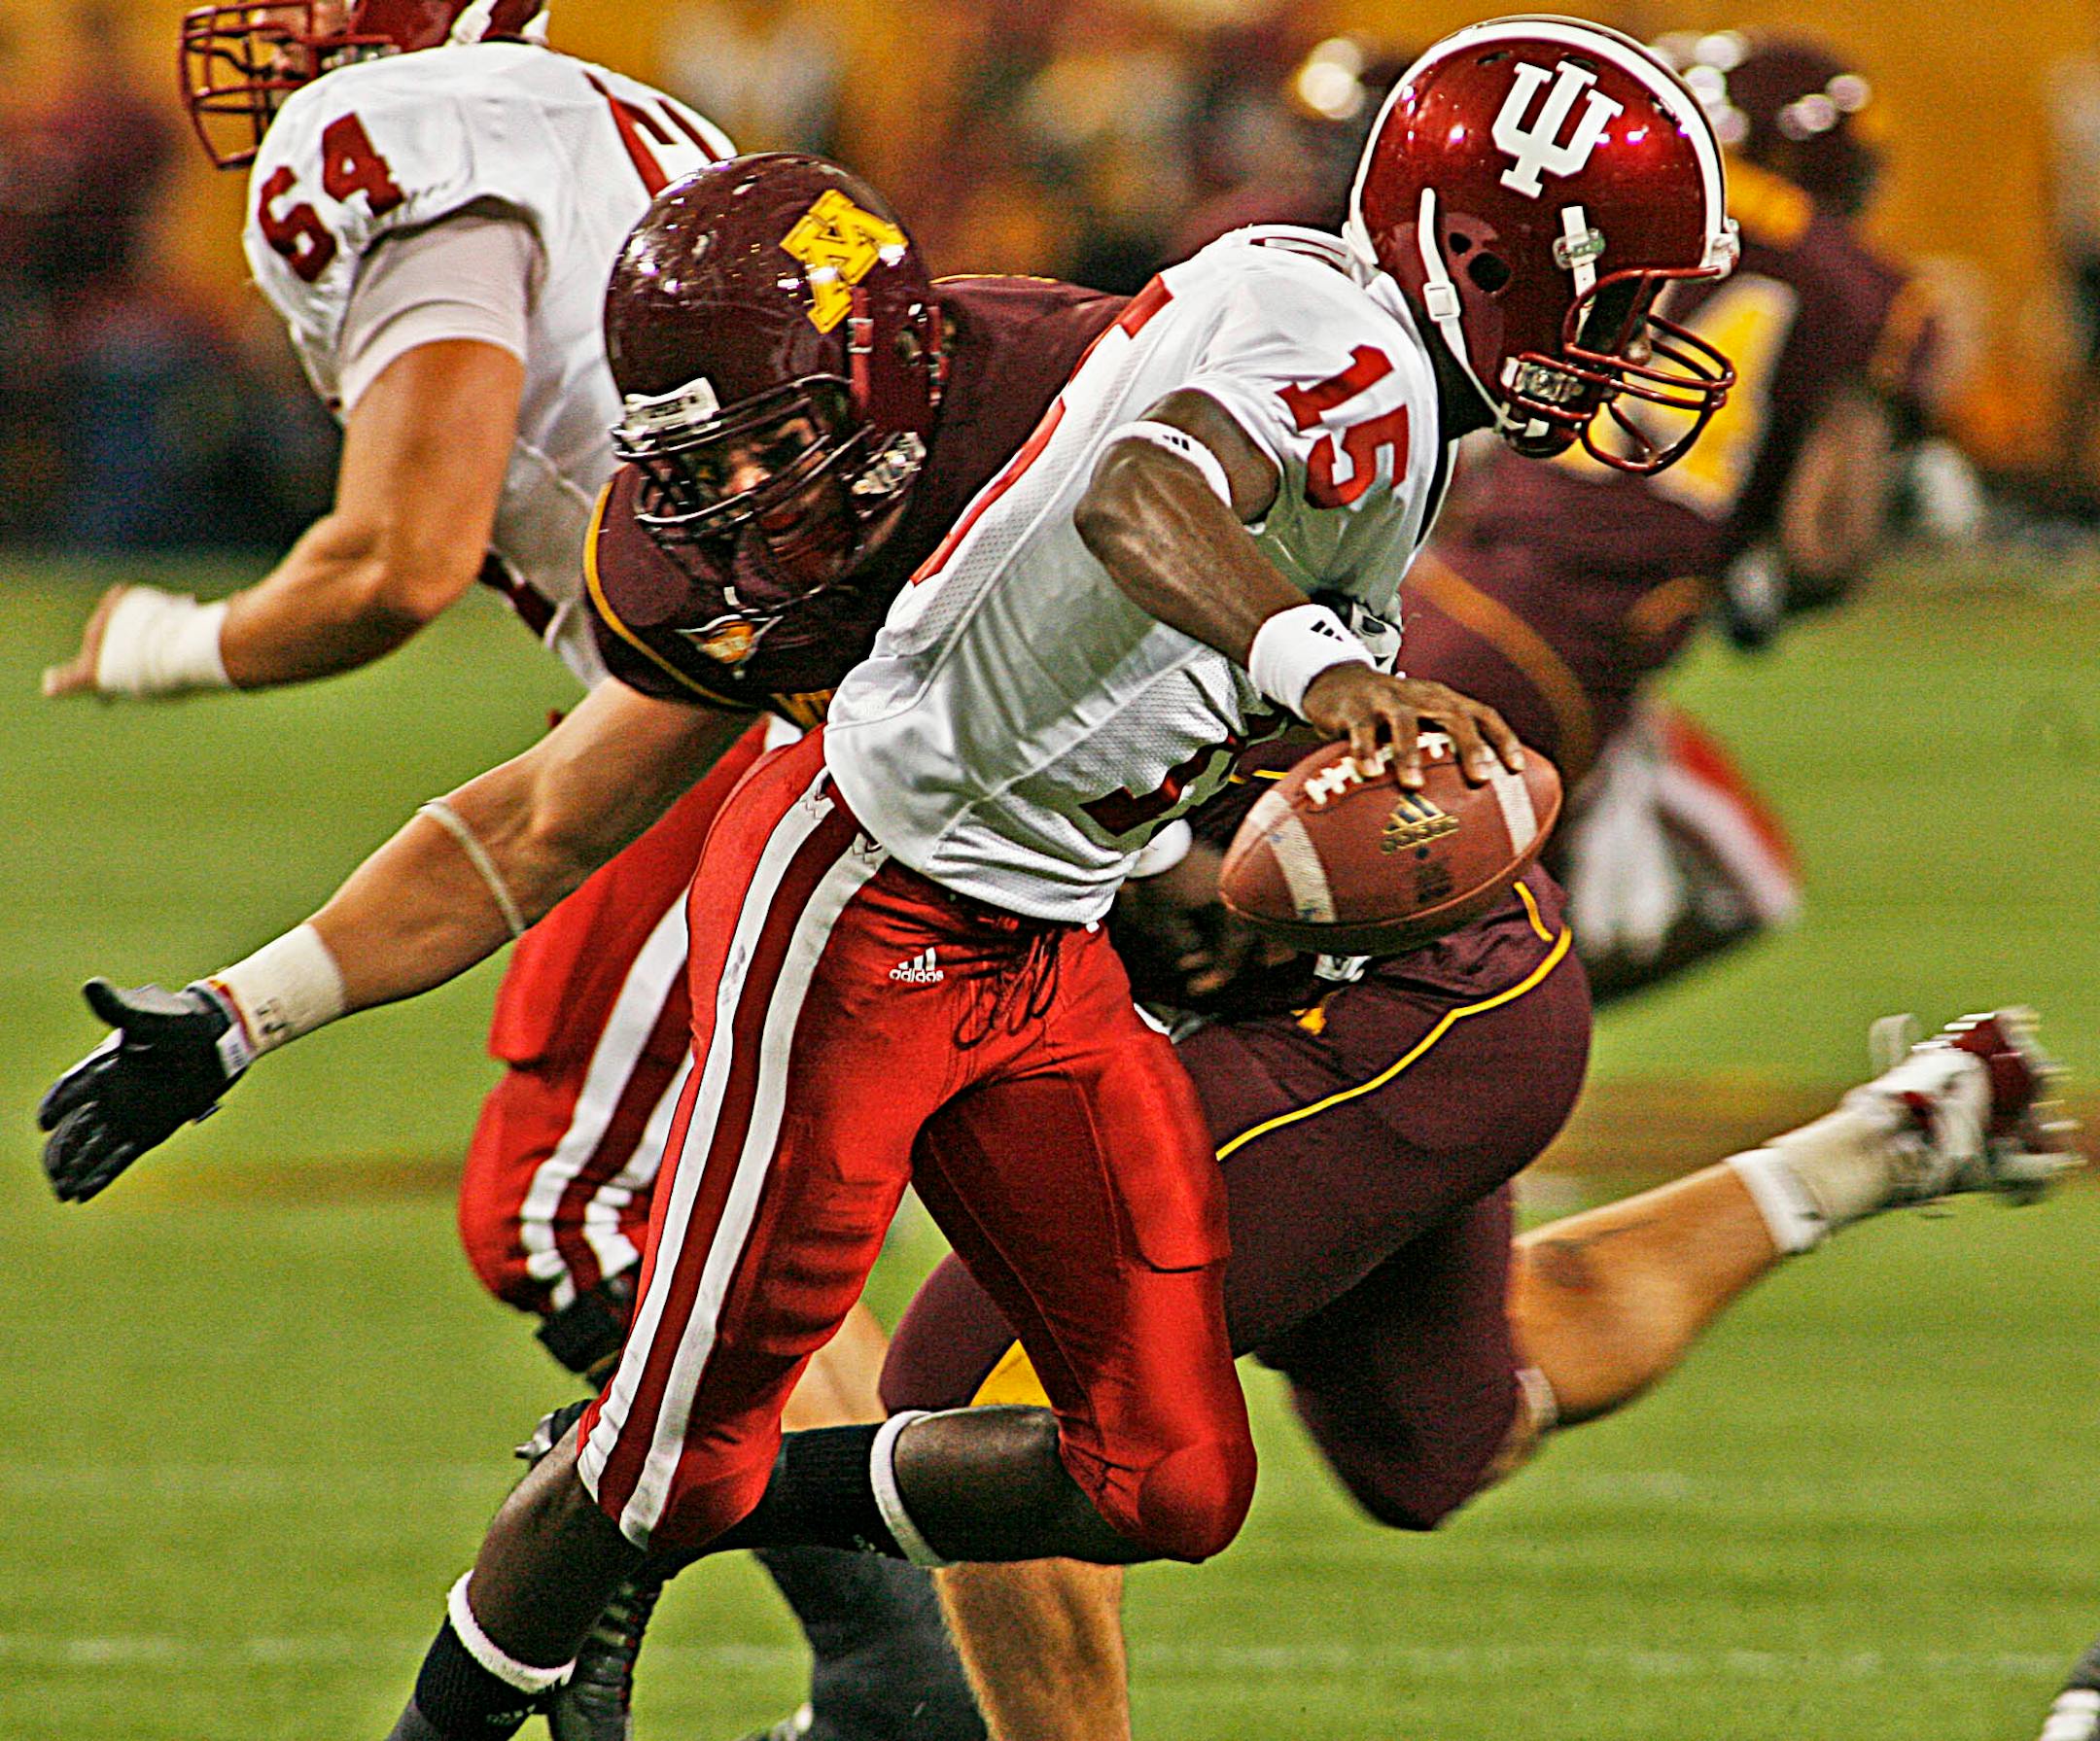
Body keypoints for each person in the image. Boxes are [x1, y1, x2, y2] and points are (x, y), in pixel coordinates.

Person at [38, 20, 1742, 1738]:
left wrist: (1282, 810)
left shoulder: (1128, 389)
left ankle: (695, 1505)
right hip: (864, 917)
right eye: (707, 466)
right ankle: (563, 1634)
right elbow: (548, 813)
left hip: (1048, 946)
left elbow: (1142, 500)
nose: (735, 509)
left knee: (1168, 1484)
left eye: (771, 453)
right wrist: (245, 1013)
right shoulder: (785, 535)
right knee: (629, 1336)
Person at [1405, 31, 1940, 999]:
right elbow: (1823, 549)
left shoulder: (1609, 208)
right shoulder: (1866, 287)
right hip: (1578, 639)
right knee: (1457, 950)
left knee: (1432, 931)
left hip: (1440, 587)